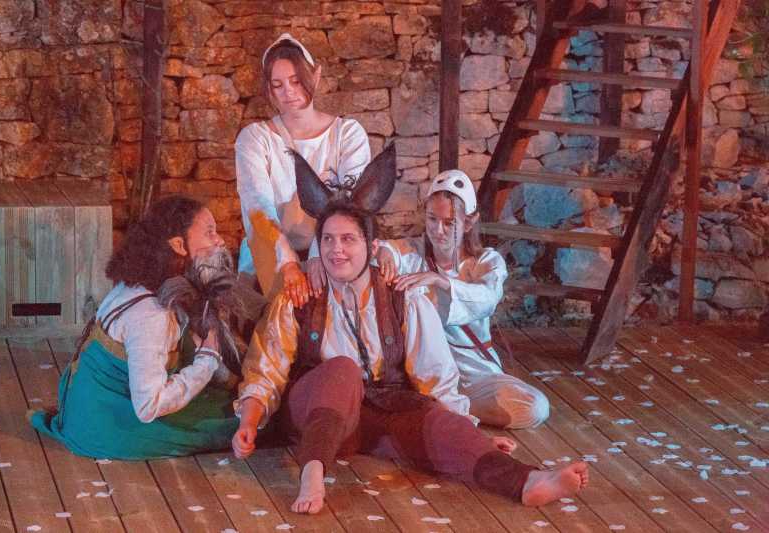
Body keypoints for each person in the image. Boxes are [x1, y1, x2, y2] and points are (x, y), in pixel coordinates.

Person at [232, 152, 588, 514]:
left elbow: (436, 377)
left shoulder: (403, 297)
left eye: (348, 240)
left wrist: (466, 431)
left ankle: (527, 482)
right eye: (328, 240)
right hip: (316, 418)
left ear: (371, 248)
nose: (336, 250)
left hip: (379, 413)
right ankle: (312, 473)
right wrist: (249, 420)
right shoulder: (302, 296)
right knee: (342, 369)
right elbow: (266, 368)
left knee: (437, 422)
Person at [29, 196, 240, 460]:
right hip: (106, 429)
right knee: (241, 422)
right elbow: (149, 406)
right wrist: (207, 361)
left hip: (87, 414)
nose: (220, 241)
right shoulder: (151, 316)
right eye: (209, 233)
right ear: (178, 245)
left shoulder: (139, 285)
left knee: (227, 405)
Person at [376, 170, 550, 429]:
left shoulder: (487, 262)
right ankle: (440, 402)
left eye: (449, 223)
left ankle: (445, 406)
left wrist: (441, 282)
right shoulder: (412, 253)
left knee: (534, 407)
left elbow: (487, 299)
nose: (438, 230)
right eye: (432, 219)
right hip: (424, 373)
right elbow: (384, 249)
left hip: (475, 373)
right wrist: (383, 253)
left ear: (468, 222)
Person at [235, 32, 371, 307]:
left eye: (296, 81)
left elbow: (348, 203)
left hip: (334, 249)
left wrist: (318, 253)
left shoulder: (348, 135)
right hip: (271, 253)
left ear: (315, 76)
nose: (288, 91)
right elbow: (258, 205)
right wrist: (287, 263)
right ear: (269, 89)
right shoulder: (255, 139)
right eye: (278, 85)